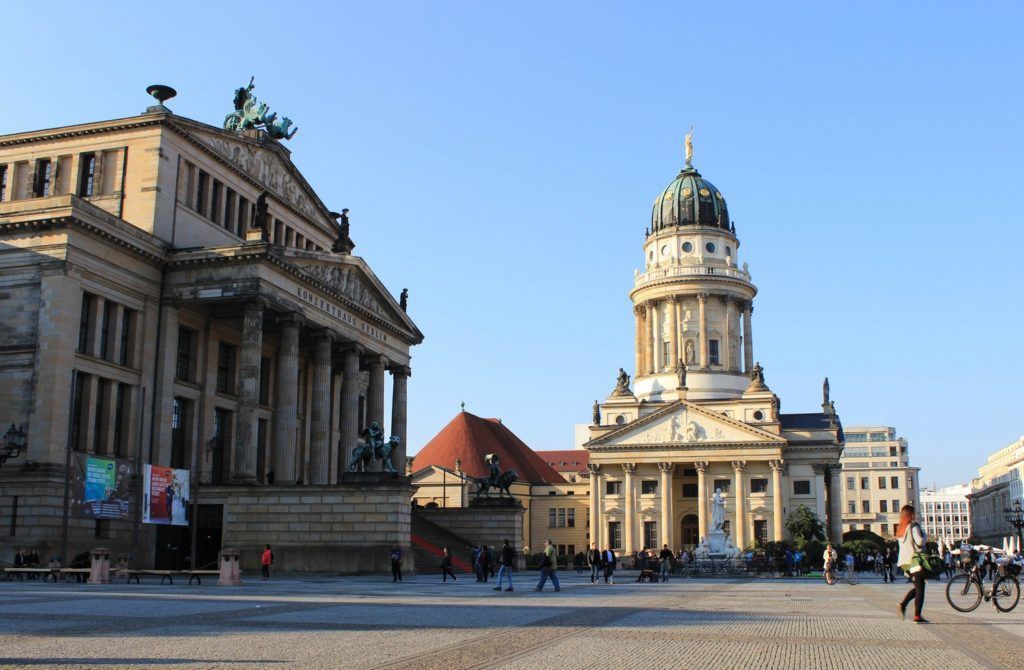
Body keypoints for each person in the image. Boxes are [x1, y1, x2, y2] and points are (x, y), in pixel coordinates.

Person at [896, 505, 928, 623]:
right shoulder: (913, 526)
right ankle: (917, 616)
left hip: (904, 562)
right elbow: (919, 541)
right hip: (914, 561)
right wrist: (925, 536)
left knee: (918, 586)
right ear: (911, 514)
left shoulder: (901, 528)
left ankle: (903, 605)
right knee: (920, 589)